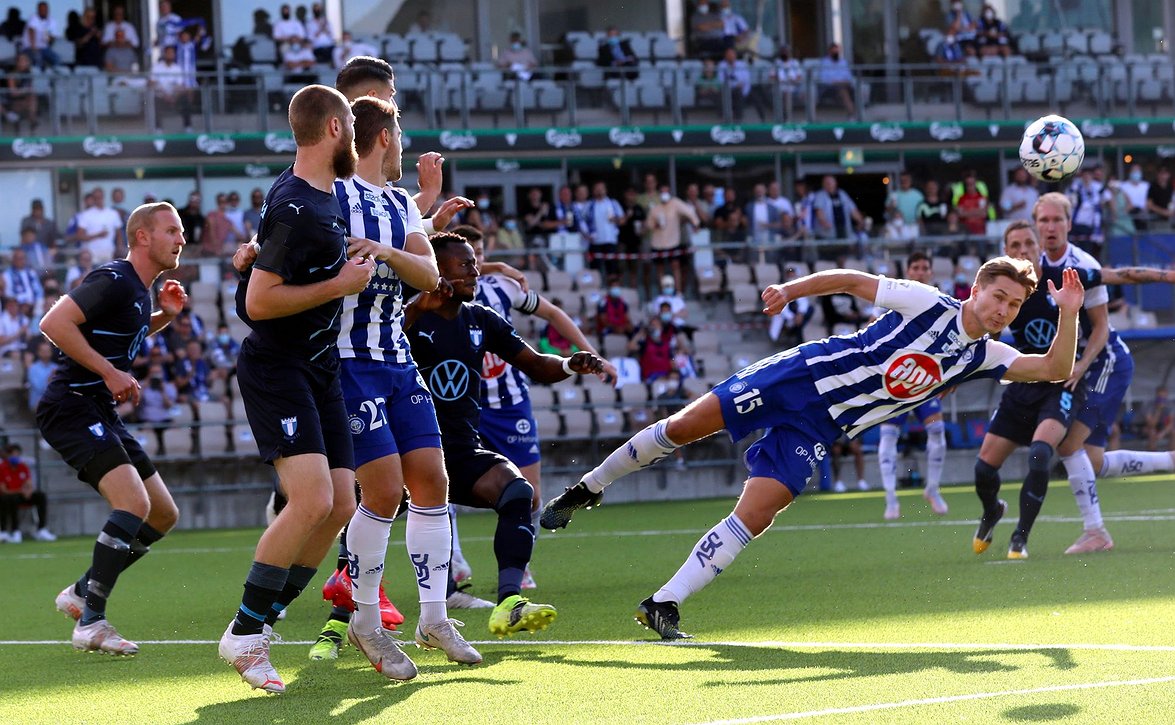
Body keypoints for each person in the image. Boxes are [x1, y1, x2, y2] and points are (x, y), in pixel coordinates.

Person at [541, 256, 1085, 639]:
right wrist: (789, 291)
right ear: (976, 289)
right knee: (684, 428)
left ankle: (664, 603)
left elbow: (1055, 368)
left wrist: (1069, 311)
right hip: (799, 376)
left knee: (758, 514)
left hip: (821, 427)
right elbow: (851, 281)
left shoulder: (986, 356)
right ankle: (589, 487)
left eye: (1015, 305)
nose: (1004, 310)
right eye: (999, 297)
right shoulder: (927, 303)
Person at [218, 84, 376, 694]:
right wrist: (339, 285)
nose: (355, 137)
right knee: (310, 501)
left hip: (318, 366)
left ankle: (264, 617)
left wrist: (255, 257)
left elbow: (266, 270)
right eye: (352, 126)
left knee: (339, 505)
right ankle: (245, 633)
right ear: (335, 128)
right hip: (279, 367)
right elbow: (259, 303)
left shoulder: (318, 193)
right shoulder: (296, 203)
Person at [405, 232, 605, 636]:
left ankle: (509, 602)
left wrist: (569, 364)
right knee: (359, 516)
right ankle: (335, 618)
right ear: (438, 271)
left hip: (460, 450)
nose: (475, 270)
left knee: (519, 492)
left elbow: (536, 364)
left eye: (475, 263)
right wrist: (412, 310)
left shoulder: (481, 319)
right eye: (465, 264)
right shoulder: (406, 317)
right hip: (406, 451)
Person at [39, 201, 188, 655]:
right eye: (172, 230)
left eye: (180, 232)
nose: (181, 239)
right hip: (72, 406)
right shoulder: (115, 278)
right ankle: (91, 621)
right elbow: (54, 323)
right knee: (133, 503)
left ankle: (81, 591)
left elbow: (120, 333)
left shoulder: (140, 291)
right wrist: (109, 372)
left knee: (162, 514)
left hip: (99, 409)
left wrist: (164, 317)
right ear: (142, 236)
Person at [455, 224, 615, 589]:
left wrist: (593, 353)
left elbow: (554, 314)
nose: (476, 263)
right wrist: (498, 265)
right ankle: (454, 565)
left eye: (481, 255)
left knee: (530, 493)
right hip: (464, 404)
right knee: (438, 484)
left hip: (510, 404)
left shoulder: (503, 287)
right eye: (470, 257)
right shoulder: (439, 290)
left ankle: (520, 566)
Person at [873, 251, 949, 519]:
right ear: (908, 272)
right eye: (915, 267)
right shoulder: (893, 300)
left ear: (931, 272)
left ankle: (933, 489)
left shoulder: (942, 303)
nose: (920, 272)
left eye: (924, 268)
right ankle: (890, 498)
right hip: (894, 380)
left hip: (925, 380)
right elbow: (873, 331)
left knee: (937, 432)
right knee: (888, 437)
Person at [648, 186, 700, 292]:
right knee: (660, 269)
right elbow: (649, 224)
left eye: (666, 191)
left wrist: (695, 224)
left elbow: (689, 212)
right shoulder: (655, 207)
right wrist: (655, 225)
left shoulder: (675, 203)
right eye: (662, 191)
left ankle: (678, 292)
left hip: (673, 242)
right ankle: (663, 293)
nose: (664, 194)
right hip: (658, 243)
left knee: (676, 266)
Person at [0, 443, 54, 542]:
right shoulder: (2, 468)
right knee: (11, 499)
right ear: (8, 455)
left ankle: (41, 529)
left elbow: (29, 483)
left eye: (17, 454)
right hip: (9, 497)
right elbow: (3, 490)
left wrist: (28, 492)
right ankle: (15, 531)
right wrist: (20, 491)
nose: (15, 457)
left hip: (23, 495)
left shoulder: (22, 466)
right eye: (13, 454)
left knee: (40, 496)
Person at [817, 43, 855, 117]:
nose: (836, 53)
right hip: (830, 87)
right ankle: (852, 114)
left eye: (837, 52)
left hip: (845, 84)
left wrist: (843, 81)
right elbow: (823, 78)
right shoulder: (825, 63)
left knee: (851, 89)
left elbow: (848, 76)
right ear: (829, 52)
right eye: (834, 52)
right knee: (843, 91)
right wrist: (837, 82)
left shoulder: (843, 62)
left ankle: (859, 113)